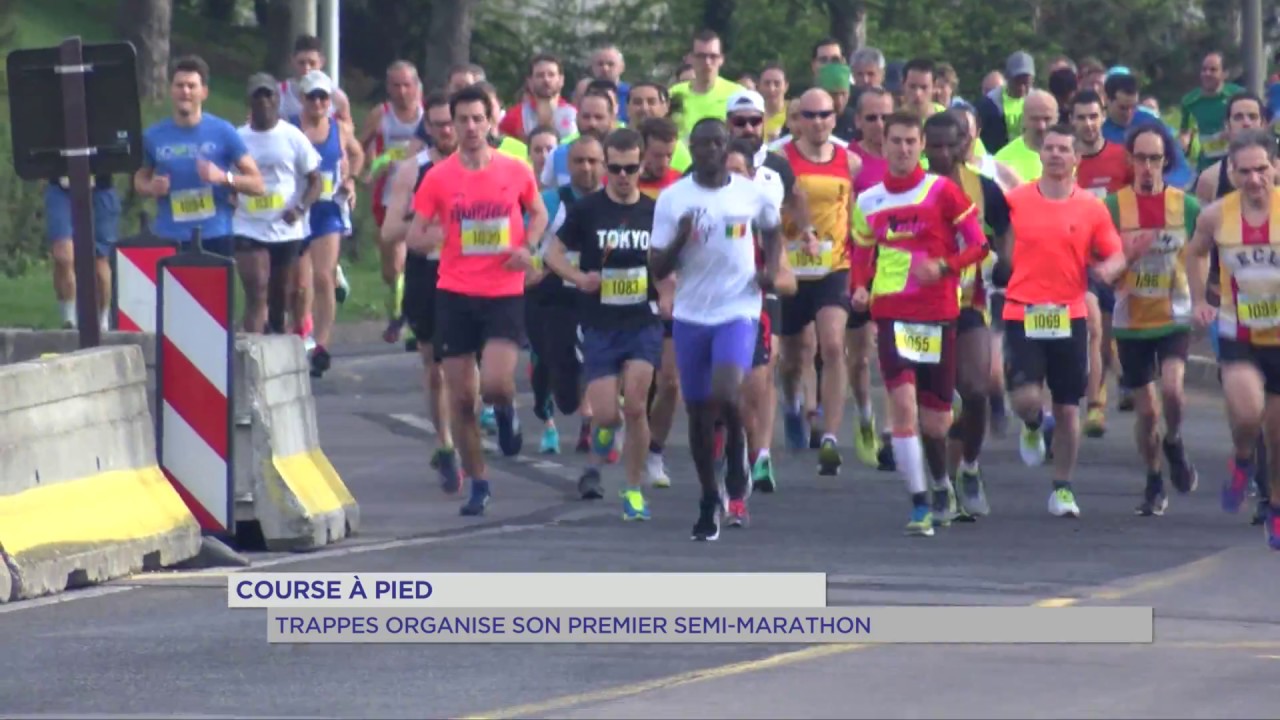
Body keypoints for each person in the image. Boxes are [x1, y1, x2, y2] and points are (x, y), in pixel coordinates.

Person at [406, 84, 549, 517]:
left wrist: (531, 248)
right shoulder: (439, 177)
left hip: (503, 292)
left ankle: (507, 412)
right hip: (454, 293)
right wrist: (443, 234)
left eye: (476, 119)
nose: (468, 127)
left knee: (496, 385)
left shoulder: (515, 168)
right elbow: (414, 236)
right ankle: (479, 481)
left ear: (491, 122)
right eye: (460, 120)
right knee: (463, 400)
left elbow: (538, 212)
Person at [851, 111, 990, 536]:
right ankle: (918, 504)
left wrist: (946, 266)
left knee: (936, 422)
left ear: (921, 145)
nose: (904, 149)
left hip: (940, 313)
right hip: (891, 310)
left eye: (912, 141)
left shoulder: (942, 192)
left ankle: (943, 484)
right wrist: (860, 286)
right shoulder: (868, 200)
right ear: (884, 142)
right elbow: (861, 252)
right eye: (896, 141)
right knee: (904, 407)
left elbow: (978, 246)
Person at [650, 118, 782, 540]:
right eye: (701, 144)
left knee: (727, 392)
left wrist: (770, 270)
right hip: (691, 313)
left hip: (737, 308)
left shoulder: (750, 193)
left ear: (727, 148)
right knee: (698, 410)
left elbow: (774, 227)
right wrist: (680, 240)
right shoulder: (674, 199)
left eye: (716, 143)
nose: (708, 150)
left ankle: (738, 458)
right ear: (691, 148)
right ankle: (709, 495)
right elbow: (656, 267)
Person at [1001, 123, 1127, 518]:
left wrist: (1109, 270)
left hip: (1068, 314)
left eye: (1063, 149)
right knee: (1024, 399)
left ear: (1076, 159)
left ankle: (1063, 488)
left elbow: (1115, 252)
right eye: (1050, 148)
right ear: (1041, 155)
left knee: (1070, 407)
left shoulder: (1091, 206)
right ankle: (1034, 423)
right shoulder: (1017, 201)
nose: (1056, 154)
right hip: (1022, 310)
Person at [545, 129, 661, 519]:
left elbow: (670, 263)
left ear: (642, 165)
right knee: (608, 413)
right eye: (616, 168)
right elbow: (552, 253)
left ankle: (633, 491)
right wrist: (579, 278)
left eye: (631, 168)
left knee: (636, 407)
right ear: (606, 168)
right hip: (599, 323)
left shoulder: (655, 211)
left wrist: (669, 290)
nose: (624, 175)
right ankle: (604, 434)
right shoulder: (588, 210)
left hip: (643, 320)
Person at [1186, 129, 1280, 550]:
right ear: (1232, 172)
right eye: (1245, 172)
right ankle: (1242, 458)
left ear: (1275, 167)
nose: (1255, 179)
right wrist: (1197, 300)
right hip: (1238, 331)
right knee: (1247, 414)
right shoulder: (1216, 215)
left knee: (1278, 436)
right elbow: (1197, 251)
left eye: (1262, 169)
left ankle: (1275, 506)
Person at [1104, 123, 1201, 516]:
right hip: (1131, 321)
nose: (1147, 167)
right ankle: (1154, 477)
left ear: (1167, 161)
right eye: (1140, 158)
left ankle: (1174, 440)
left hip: (1174, 314)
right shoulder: (1112, 208)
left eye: (1155, 159)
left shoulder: (1186, 207)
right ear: (1130, 160)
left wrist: (1206, 297)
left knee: (1174, 389)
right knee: (1147, 412)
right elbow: (1103, 270)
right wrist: (1126, 257)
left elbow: (1203, 254)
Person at [925, 109, 1011, 522]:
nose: (943, 153)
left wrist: (1007, 260)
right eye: (935, 146)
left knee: (976, 389)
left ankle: (970, 467)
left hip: (968, 303)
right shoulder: (912, 188)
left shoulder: (984, 188)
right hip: (918, 308)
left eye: (951, 144)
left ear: (966, 144)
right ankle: (940, 483)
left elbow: (1005, 226)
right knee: (936, 404)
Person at [777, 88, 862, 475]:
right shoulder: (780, 159)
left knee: (831, 345)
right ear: (797, 118)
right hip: (793, 267)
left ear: (834, 117)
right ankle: (793, 402)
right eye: (809, 115)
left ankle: (829, 437)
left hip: (834, 265)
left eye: (824, 115)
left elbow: (856, 214)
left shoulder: (851, 161)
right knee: (793, 358)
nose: (817, 122)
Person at [381, 92, 463, 493]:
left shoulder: (481, 167)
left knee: (467, 365)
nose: (447, 130)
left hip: (470, 274)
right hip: (427, 274)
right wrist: (423, 218)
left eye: (453, 122)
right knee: (435, 366)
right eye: (438, 124)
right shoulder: (413, 170)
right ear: (426, 128)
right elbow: (389, 232)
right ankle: (445, 443)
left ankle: (477, 424)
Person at [725, 91, 802, 493]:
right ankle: (737, 450)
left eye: (755, 121)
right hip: (711, 308)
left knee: (759, 381)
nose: (749, 129)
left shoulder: (772, 185)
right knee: (729, 389)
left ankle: (761, 457)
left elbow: (787, 272)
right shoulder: (699, 196)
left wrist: (771, 278)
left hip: (757, 304)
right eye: (740, 122)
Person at [135, 55, 265, 258]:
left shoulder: (223, 131)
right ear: (171, 90)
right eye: (179, 85)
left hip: (215, 236)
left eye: (191, 86)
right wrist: (151, 187)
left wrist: (224, 177)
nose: (185, 91)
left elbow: (258, 184)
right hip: (171, 236)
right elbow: (139, 180)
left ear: (204, 92)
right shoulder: (153, 136)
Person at [233, 74, 322, 336]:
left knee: (282, 293)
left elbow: (314, 180)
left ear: (277, 99)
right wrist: (229, 195)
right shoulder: (238, 138)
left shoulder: (292, 136)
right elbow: (226, 178)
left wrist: (301, 208)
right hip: (248, 225)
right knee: (256, 286)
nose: (263, 101)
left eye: (268, 95)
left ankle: (277, 332)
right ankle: (252, 345)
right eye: (257, 96)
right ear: (249, 101)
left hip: (286, 228)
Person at [292, 70, 364, 377]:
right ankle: (298, 332)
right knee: (299, 284)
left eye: (324, 97)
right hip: (298, 210)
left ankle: (321, 344)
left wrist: (350, 179)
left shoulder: (340, 128)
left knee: (323, 276)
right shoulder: (291, 129)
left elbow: (358, 155)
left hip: (328, 210)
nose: (319, 103)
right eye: (313, 97)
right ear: (302, 99)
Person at [360, 60, 425, 346]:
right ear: (388, 87)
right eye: (396, 85)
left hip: (421, 193)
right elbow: (360, 146)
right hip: (388, 195)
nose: (402, 91)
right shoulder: (381, 115)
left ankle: (406, 318)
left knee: (413, 259)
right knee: (391, 268)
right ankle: (397, 307)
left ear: (416, 85)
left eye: (407, 85)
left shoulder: (428, 116)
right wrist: (365, 169)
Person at [44, 173, 119, 331]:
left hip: (100, 187)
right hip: (61, 187)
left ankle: (102, 320)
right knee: (63, 255)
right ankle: (69, 320)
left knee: (99, 261)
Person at [669, 30, 744, 138]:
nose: (707, 62)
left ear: (721, 59)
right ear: (690, 58)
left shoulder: (738, 94)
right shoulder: (674, 94)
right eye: (701, 56)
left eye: (713, 56)